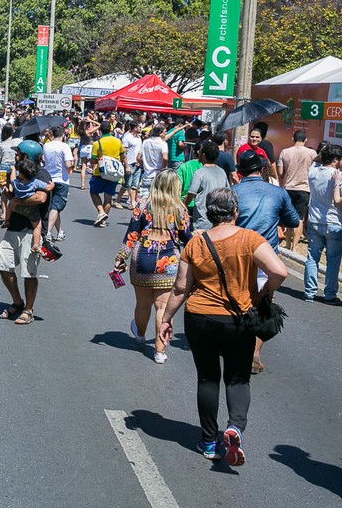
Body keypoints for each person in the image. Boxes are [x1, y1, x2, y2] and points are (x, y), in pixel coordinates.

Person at [160, 188, 287, 465]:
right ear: (235, 212)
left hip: (199, 318)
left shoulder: (195, 243)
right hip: (238, 320)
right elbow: (279, 271)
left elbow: (181, 288)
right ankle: (234, 428)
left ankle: (208, 442)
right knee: (238, 378)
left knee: (207, 378)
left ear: (208, 212)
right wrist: (265, 293)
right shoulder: (250, 239)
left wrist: (166, 319)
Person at [113, 170, 192, 364]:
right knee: (163, 307)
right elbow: (186, 238)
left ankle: (140, 335)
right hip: (169, 259)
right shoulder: (179, 209)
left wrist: (121, 257)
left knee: (142, 303)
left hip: (143, 258)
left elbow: (132, 233)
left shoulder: (143, 204)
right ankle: (159, 351)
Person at [231, 149, 299, 373]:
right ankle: (255, 352)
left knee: (235, 298)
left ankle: (235, 343)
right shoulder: (278, 193)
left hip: (237, 254)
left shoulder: (232, 192)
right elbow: (294, 221)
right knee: (264, 301)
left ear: (240, 172)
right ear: (262, 170)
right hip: (266, 256)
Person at [0, 141, 51, 325]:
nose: (15, 156)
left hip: (30, 230)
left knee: (29, 273)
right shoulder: (18, 171)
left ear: (25, 156)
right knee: (3, 265)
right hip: (14, 228)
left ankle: (29, 310)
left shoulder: (40, 174)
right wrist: (5, 189)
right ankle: (18, 302)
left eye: (18, 153)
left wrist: (16, 201)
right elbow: (13, 195)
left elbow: (41, 197)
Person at [303, 143, 342, 303]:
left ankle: (309, 292)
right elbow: (338, 201)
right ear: (335, 159)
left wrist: (325, 153)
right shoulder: (338, 175)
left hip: (314, 220)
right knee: (333, 259)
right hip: (333, 221)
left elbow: (314, 159)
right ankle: (329, 294)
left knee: (312, 257)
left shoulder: (313, 172)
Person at [278, 130, 317, 251]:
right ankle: (294, 247)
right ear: (305, 140)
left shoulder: (285, 152)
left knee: (288, 216)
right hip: (304, 189)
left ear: (292, 139)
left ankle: (288, 244)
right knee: (300, 218)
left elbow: (280, 172)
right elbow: (315, 171)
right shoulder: (312, 153)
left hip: (288, 187)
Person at [184, 140, 229, 234]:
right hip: (219, 220)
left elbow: (190, 195)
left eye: (200, 152)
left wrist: (181, 208)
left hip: (203, 221)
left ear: (203, 155)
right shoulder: (222, 172)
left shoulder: (199, 174)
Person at [90, 121, 125, 227]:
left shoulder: (97, 143)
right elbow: (122, 156)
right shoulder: (118, 141)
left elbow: (93, 160)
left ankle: (101, 212)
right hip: (113, 173)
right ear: (110, 129)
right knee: (108, 197)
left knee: (93, 192)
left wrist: (93, 167)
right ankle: (103, 219)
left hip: (100, 173)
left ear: (100, 131)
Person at [42, 125, 74, 241]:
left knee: (54, 207)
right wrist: (72, 165)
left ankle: (60, 231)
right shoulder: (65, 147)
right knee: (56, 207)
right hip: (62, 179)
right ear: (63, 134)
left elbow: (44, 160)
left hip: (49, 178)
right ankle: (48, 233)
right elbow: (68, 165)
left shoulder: (46, 146)